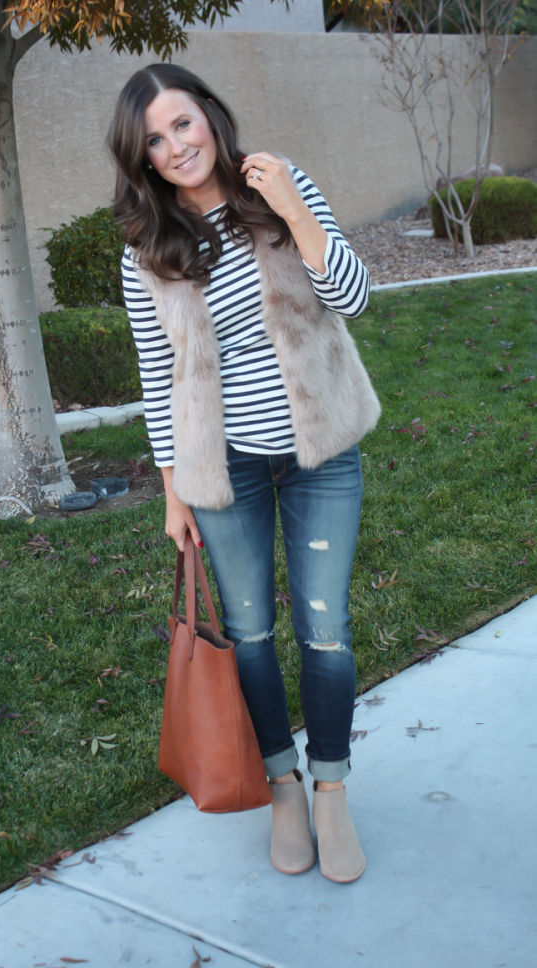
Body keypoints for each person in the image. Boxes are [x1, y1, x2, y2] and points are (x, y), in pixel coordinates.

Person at [108, 64, 380, 884]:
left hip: (320, 455)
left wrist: (296, 214)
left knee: (324, 629)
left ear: (211, 119)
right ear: (143, 158)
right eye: (154, 140)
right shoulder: (148, 248)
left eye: (182, 124)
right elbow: (158, 378)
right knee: (252, 636)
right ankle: (283, 786)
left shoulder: (279, 187)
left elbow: (355, 296)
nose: (174, 146)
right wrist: (172, 493)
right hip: (220, 470)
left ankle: (330, 789)